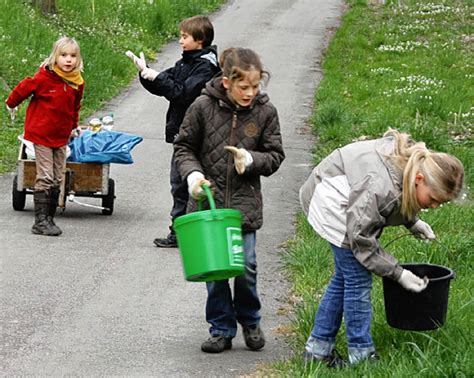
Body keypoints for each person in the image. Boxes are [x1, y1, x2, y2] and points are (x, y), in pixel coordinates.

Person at [299, 129, 464, 367]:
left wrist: (413, 222)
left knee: (344, 278)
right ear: (420, 179)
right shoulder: (379, 188)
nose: (436, 206)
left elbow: (400, 196)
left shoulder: (415, 165)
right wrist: (399, 273)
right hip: (331, 201)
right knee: (357, 280)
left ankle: (317, 349)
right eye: (434, 198)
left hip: (352, 200)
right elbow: (362, 240)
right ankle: (362, 354)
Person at [174, 47, 285, 353]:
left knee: (246, 265)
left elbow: (275, 156)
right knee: (216, 270)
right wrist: (193, 177)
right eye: (243, 87)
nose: (250, 93)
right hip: (208, 207)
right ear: (226, 82)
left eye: (255, 86)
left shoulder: (265, 112)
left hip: (243, 207)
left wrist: (251, 160)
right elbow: (184, 147)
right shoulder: (201, 107)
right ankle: (221, 328)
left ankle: (250, 320)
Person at [125, 15, 221, 248]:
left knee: (188, 184)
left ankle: (193, 231)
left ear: (199, 40)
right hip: (181, 134)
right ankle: (180, 231)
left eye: (184, 36)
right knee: (178, 185)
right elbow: (164, 83)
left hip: (197, 137)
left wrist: (156, 77)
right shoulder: (185, 62)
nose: (180, 41)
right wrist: (145, 73)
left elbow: (182, 93)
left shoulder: (205, 67)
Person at [6, 37, 85, 236]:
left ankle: (49, 218)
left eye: (73, 56)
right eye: (64, 55)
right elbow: (25, 87)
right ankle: (40, 221)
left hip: (61, 135)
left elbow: (75, 107)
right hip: (41, 134)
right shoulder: (44, 78)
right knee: (46, 176)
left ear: (78, 59)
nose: (68, 60)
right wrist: (12, 102)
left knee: (58, 176)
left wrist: (74, 126)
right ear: (55, 57)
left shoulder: (77, 82)